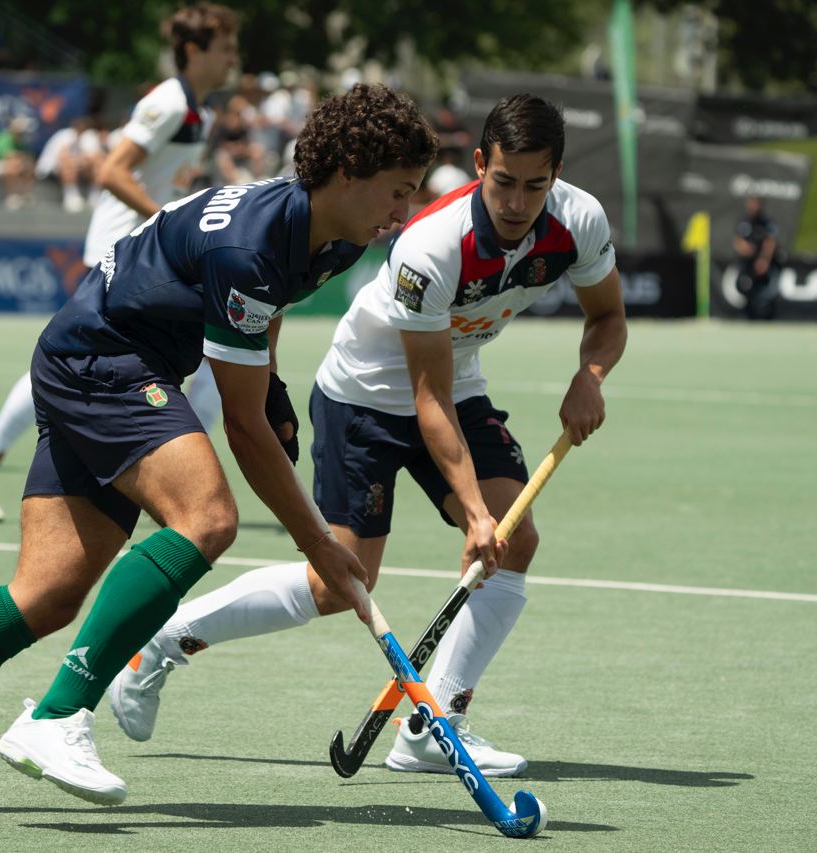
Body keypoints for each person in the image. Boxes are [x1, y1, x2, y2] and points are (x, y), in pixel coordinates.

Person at [0, 83, 440, 816]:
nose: (402, 214)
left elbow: (266, 322)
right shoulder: (252, 242)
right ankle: (57, 716)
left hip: (97, 358)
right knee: (207, 516)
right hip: (104, 361)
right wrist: (318, 542)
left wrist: (273, 385)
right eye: (397, 191)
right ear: (347, 171)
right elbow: (244, 429)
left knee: (46, 594)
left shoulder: (334, 235)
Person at [108, 93, 628, 779]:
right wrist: (473, 511)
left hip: (456, 381)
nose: (516, 202)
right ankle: (162, 643)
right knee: (340, 582)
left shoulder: (578, 222)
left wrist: (591, 373)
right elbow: (424, 397)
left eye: (535, 185)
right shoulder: (431, 245)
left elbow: (608, 315)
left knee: (515, 538)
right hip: (364, 396)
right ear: (479, 165)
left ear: (556, 175)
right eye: (503, 182)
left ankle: (431, 725)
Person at [0, 4, 240, 525]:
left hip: (152, 259)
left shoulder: (202, 109)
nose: (234, 58)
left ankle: (170, 469)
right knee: (76, 363)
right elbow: (112, 171)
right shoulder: (169, 101)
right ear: (194, 51)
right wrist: (170, 223)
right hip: (121, 252)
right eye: (226, 48)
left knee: (202, 355)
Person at [733, 195, 779, 321]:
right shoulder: (744, 221)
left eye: (755, 204)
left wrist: (764, 259)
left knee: (764, 291)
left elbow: (770, 242)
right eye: (750, 204)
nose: (752, 207)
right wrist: (743, 247)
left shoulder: (767, 222)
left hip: (761, 263)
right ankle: (747, 315)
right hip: (746, 263)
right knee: (744, 287)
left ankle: (765, 316)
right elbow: (737, 239)